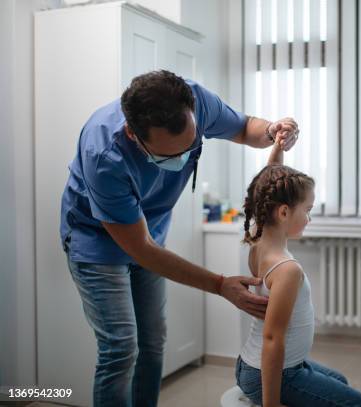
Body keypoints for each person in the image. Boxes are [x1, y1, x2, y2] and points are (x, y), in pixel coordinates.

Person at [59, 70, 299, 407]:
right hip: (97, 241)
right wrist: (219, 284)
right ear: (133, 134)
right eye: (170, 156)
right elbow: (141, 249)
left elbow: (247, 129)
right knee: (121, 347)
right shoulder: (104, 155)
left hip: (149, 232)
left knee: (153, 340)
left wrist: (274, 131)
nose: (183, 159)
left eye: (190, 147)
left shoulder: (195, 100)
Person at [234, 137, 361, 407]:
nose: (309, 218)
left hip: (251, 364)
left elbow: (266, 190)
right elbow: (273, 338)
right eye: (308, 210)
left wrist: (276, 149)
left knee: (340, 380)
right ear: (285, 212)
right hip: (273, 373)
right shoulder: (287, 270)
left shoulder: (258, 241)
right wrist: (271, 404)